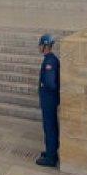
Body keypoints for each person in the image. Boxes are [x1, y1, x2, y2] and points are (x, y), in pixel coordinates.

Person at [35, 33, 61, 167]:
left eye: (40, 45)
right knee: (50, 126)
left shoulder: (50, 61)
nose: (39, 47)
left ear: (45, 46)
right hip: (50, 99)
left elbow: (50, 83)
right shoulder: (50, 59)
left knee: (49, 127)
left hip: (49, 100)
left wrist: (44, 86)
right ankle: (51, 151)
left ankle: (51, 157)